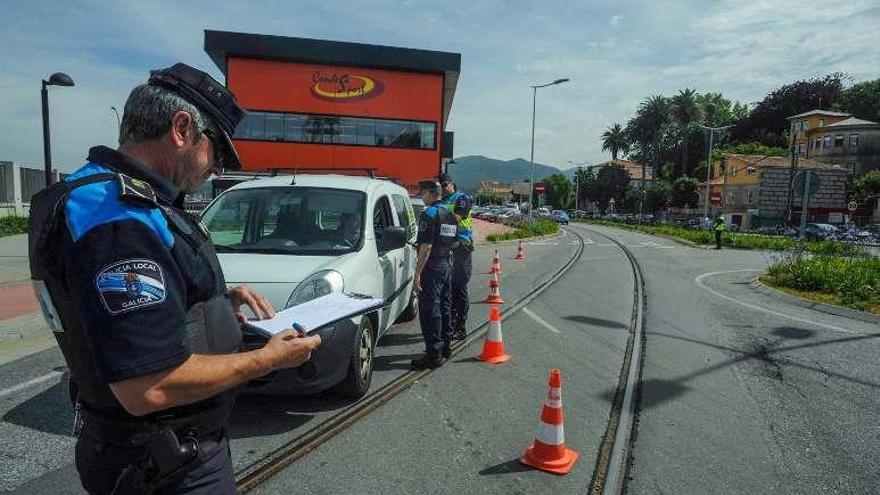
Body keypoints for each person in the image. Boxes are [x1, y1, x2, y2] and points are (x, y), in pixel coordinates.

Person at [28, 63, 322, 495]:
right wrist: (268, 359)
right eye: (217, 151)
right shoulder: (118, 221)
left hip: (152, 454)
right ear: (182, 128)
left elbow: (132, 307)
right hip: (168, 464)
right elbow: (148, 386)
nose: (217, 168)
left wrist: (217, 302)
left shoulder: (105, 195)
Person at [411, 180, 459, 369]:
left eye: (422, 194)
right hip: (447, 264)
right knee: (445, 305)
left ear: (431, 193)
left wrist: (417, 274)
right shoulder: (451, 214)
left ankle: (433, 354)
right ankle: (446, 346)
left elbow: (426, 246)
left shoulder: (429, 213)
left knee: (430, 310)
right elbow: (454, 242)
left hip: (432, 266)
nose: (421, 198)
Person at [438, 173, 474, 340]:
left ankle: (461, 326)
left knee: (459, 287)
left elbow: (457, 218)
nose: (443, 188)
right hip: (446, 248)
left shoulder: (462, 198)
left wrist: (438, 218)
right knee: (448, 288)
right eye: (440, 185)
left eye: (445, 184)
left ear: (452, 183)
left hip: (461, 246)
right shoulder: (442, 201)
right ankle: (450, 324)